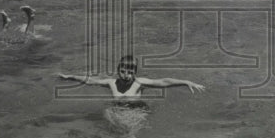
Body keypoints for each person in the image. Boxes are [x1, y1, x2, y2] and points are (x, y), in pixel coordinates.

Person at [57, 54, 204, 99]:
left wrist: (186, 82)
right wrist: (69, 76)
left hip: (137, 112)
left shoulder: (140, 83)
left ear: (135, 73)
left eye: (130, 72)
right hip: (116, 111)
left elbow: (164, 81)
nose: (126, 75)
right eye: (123, 71)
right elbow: (90, 80)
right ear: (118, 70)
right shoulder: (111, 82)